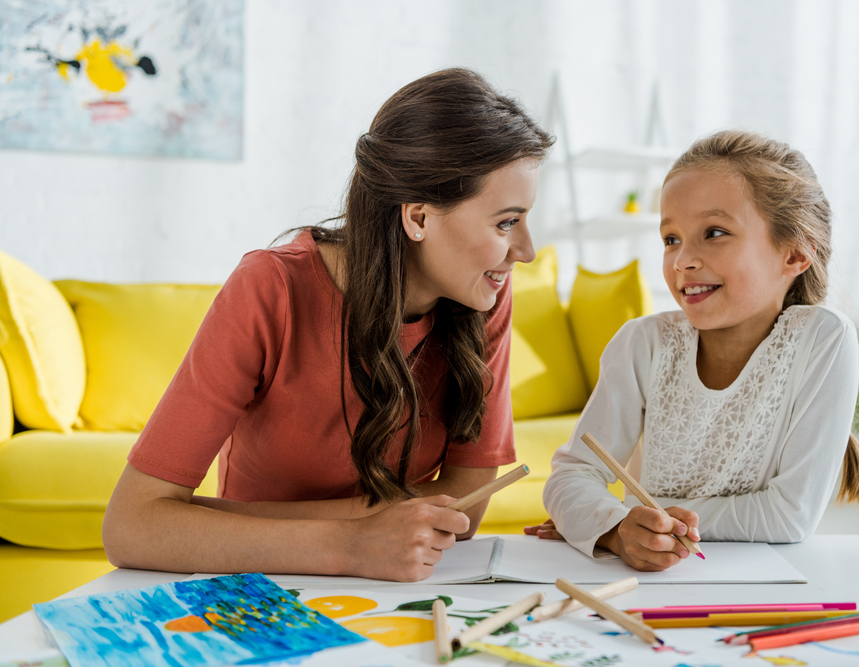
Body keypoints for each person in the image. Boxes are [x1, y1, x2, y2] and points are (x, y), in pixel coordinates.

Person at [103, 68, 553, 582]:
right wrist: (351, 545)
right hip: (259, 583)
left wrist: (216, 520)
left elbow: (466, 506)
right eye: (505, 222)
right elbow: (132, 524)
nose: (527, 251)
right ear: (419, 218)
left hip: (394, 576)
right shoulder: (269, 288)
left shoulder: (483, 293)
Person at [529, 130, 859, 572]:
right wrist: (616, 529)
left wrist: (631, 520)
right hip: (652, 582)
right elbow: (572, 477)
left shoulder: (823, 340)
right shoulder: (642, 344)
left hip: (766, 584)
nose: (681, 260)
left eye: (714, 233)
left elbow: (790, 516)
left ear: (794, 255)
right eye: (671, 238)